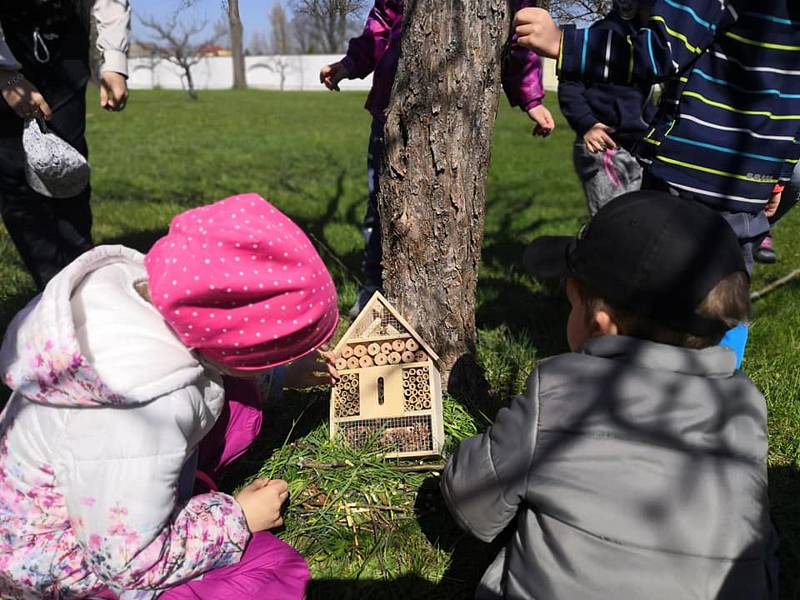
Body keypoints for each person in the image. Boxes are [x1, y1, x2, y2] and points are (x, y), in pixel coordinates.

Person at [0, 194, 340, 599]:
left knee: (239, 401)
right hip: (58, 561)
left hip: (99, 498)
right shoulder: (140, 413)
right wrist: (237, 517)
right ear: (235, 350)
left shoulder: (139, 308)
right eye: (270, 354)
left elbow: (214, 363)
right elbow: (130, 564)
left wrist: (282, 375)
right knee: (269, 574)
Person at [441, 191, 776, 600]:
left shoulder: (563, 389)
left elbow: (471, 503)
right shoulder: (746, 405)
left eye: (571, 304)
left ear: (600, 324)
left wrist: (466, 455)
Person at [513, 0, 800, 364]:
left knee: (650, 290)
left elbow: (658, 52)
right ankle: (720, 389)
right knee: (725, 293)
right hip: (749, 181)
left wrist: (562, 43)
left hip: (689, 169)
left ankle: (628, 383)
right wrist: (776, 175)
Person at [320, 0, 555, 313]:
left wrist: (531, 97)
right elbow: (380, 23)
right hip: (392, 110)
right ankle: (374, 286)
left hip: (457, 114)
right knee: (380, 206)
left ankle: (436, 296)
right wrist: (351, 64)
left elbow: (518, 37)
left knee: (444, 208)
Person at [0, 0, 130, 290]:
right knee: (15, 170)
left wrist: (113, 61)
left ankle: (83, 279)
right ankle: (51, 289)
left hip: (63, 34)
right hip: (7, 34)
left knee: (69, 164)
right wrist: (6, 75)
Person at [558, 0, 656, 215]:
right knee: (610, 218)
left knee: (632, 216)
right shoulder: (603, 35)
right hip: (603, 145)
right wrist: (587, 124)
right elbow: (570, 86)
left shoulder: (646, 44)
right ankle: (590, 248)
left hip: (634, 147)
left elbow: (643, 100)